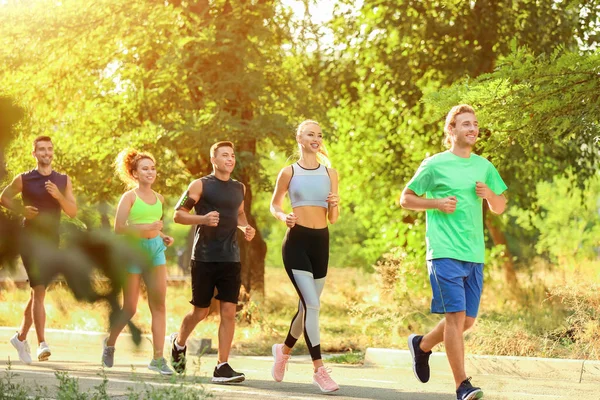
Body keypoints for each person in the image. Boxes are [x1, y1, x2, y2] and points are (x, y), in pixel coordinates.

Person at [400, 104, 508, 400]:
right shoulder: (434, 165)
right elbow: (405, 199)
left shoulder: (484, 166)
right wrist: (436, 204)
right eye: (465, 124)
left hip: (474, 253)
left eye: (474, 124)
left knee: (466, 322)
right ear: (451, 130)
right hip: (444, 251)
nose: (472, 129)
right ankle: (462, 385)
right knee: (455, 317)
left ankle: (421, 345)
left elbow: (500, 207)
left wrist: (489, 196)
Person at [169, 141, 256, 383]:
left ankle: (222, 366)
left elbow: (238, 213)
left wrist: (246, 227)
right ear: (214, 160)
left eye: (232, 155)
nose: (230, 159)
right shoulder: (200, 185)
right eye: (225, 155)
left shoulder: (240, 188)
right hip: (205, 257)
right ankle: (178, 342)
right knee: (201, 311)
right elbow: (178, 214)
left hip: (231, 258)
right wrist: (203, 219)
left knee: (229, 312)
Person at [269, 120, 340, 393]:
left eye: (319, 135)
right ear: (299, 138)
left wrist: (334, 205)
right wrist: (282, 215)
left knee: (306, 307)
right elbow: (274, 204)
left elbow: (333, 218)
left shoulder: (330, 173)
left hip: (321, 242)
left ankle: (284, 350)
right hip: (296, 242)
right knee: (312, 304)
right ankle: (319, 370)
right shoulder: (289, 172)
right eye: (311, 134)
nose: (316, 138)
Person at [0, 135, 77, 364]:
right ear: (34, 153)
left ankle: (20, 337)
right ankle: (42, 343)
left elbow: (72, 211)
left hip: (52, 242)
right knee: (40, 289)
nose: (46, 153)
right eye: (41, 149)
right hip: (30, 240)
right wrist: (22, 210)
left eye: (49, 149)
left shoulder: (63, 180)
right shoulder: (24, 179)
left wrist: (58, 195)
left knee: (37, 292)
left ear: (53, 152)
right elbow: (3, 197)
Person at [101, 149, 174, 375]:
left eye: (152, 168)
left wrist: (163, 236)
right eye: (145, 168)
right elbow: (119, 228)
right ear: (134, 173)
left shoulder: (160, 198)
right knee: (130, 307)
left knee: (159, 304)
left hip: (155, 251)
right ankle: (110, 343)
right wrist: (147, 229)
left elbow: (155, 225)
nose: (150, 172)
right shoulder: (129, 197)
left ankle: (158, 359)